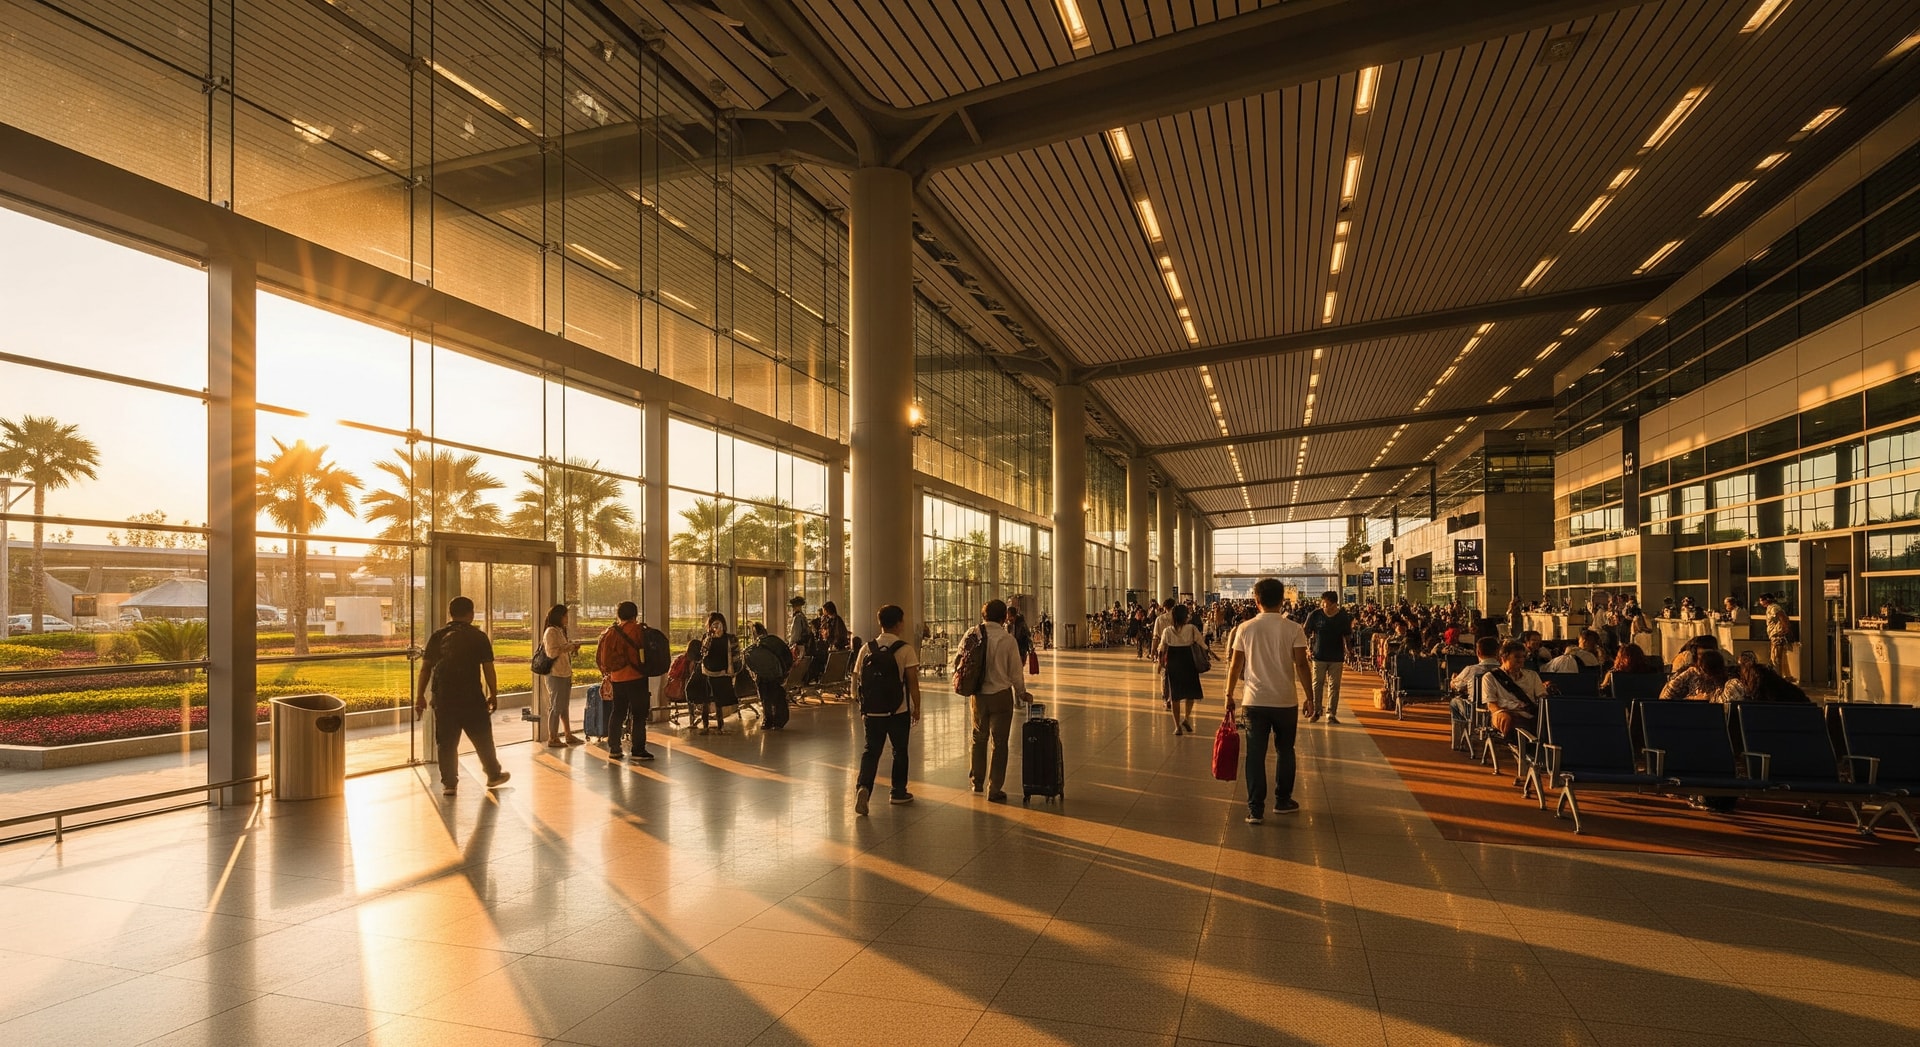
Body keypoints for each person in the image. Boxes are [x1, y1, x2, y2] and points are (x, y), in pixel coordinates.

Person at [1223, 578, 1314, 824]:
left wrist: (1229, 694)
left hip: (1254, 701)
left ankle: (1255, 809)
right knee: (1285, 751)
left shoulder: (1245, 628)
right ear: (1282, 600)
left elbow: (1236, 665)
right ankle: (1283, 801)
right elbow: (1302, 665)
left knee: (1255, 754)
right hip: (1285, 701)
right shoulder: (1294, 629)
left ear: (1256, 600)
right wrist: (1311, 697)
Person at [415, 596, 510, 796]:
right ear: (471, 614)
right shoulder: (478, 636)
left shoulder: (438, 636)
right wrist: (493, 693)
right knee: (482, 736)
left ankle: (449, 783)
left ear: (451, 613)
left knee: (446, 741)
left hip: (443, 697)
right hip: (471, 697)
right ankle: (493, 774)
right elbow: (488, 668)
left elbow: (425, 669)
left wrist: (420, 696)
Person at [853, 604, 921, 815]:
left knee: (870, 751)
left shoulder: (867, 648)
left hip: (872, 712)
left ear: (879, 622)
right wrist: (916, 707)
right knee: (899, 750)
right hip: (897, 711)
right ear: (899, 623)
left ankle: (863, 788)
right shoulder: (905, 649)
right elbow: (912, 682)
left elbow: (856, 679)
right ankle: (898, 792)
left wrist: (862, 705)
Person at [967, 599, 1030, 802]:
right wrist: (1022, 693)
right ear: (1004, 618)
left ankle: (976, 781)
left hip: (978, 696)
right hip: (1002, 696)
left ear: (983, 615)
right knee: (1000, 742)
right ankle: (994, 788)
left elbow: (960, 661)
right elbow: (1015, 672)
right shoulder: (1007, 639)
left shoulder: (972, 634)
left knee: (978, 738)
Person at [600, 600, 654, 761]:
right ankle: (638, 749)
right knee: (639, 714)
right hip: (636, 677)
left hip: (617, 678)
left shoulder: (610, 633)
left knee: (617, 712)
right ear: (635, 614)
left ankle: (614, 748)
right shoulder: (638, 630)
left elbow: (604, 658)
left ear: (618, 615)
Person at [1303, 591, 1353, 725]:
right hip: (1318, 656)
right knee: (1317, 685)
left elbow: (1347, 635)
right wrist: (1308, 649)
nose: (1323, 605)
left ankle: (1331, 713)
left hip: (1336, 657)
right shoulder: (1315, 615)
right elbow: (1305, 632)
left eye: (1326, 603)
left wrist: (1349, 649)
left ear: (1334, 604)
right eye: (1323, 603)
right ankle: (1316, 711)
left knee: (1334, 686)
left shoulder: (1343, 617)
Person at [539, 603, 584, 748]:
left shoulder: (559, 630)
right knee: (556, 706)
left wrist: (570, 647)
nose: (567, 619)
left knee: (564, 706)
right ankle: (552, 737)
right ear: (559, 616)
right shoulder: (551, 632)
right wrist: (569, 647)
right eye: (565, 616)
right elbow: (552, 652)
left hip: (564, 673)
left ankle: (567, 734)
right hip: (555, 674)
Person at [688, 612, 742, 735]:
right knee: (706, 699)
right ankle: (705, 725)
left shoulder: (730, 638)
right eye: (713, 624)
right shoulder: (707, 638)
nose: (716, 627)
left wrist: (734, 671)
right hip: (707, 671)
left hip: (722, 673)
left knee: (719, 700)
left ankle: (720, 725)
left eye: (718, 624)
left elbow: (736, 656)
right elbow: (702, 653)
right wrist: (708, 640)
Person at [1480, 641, 1547, 738]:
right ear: (1503, 658)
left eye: (1523, 657)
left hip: (1530, 714)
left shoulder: (1532, 676)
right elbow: (1491, 704)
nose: (1521, 660)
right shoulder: (1490, 677)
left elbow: (1542, 697)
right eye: (1517, 657)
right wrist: (1501, 713)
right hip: (1506, 713)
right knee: (1506, 719)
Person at [1160, 603, 1205, 734]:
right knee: (1190, 693)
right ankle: (1186, 719)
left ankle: (1177, 726)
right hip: (1188, 662)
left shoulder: (1167, 631)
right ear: (1186, 616)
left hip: (1173, 663)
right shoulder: (1191, 628)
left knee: (1175, 696)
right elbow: (1201, 643)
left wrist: (1160, 663)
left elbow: (1162, 648)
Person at [748, 621, 795, 730]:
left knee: (765, 698)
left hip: (764, 676)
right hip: (776, 674)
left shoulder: (758, 646)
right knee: (775, 696)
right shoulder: (772, 641)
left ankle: (768, 720)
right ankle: (777, 720)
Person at [1662, 648, 1745, 703]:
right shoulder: (1692, 676)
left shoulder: (1729, 683)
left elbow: (1725, 702)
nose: (1708, 676)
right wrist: (1693, 699)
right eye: (1703, 670)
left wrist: (1706, 699)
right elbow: (1665, 697)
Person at [1760, 593, 1794, 682]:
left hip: (1778, 636)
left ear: (1766, 600)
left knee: (1776, 658)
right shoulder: (1770, 608)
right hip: (1774, 635)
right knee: (1775, 658)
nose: (1760, 602)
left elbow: (1783, 618)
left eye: (1761, 600)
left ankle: (1778, 678)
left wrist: (1785, 629)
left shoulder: (1774, 608)